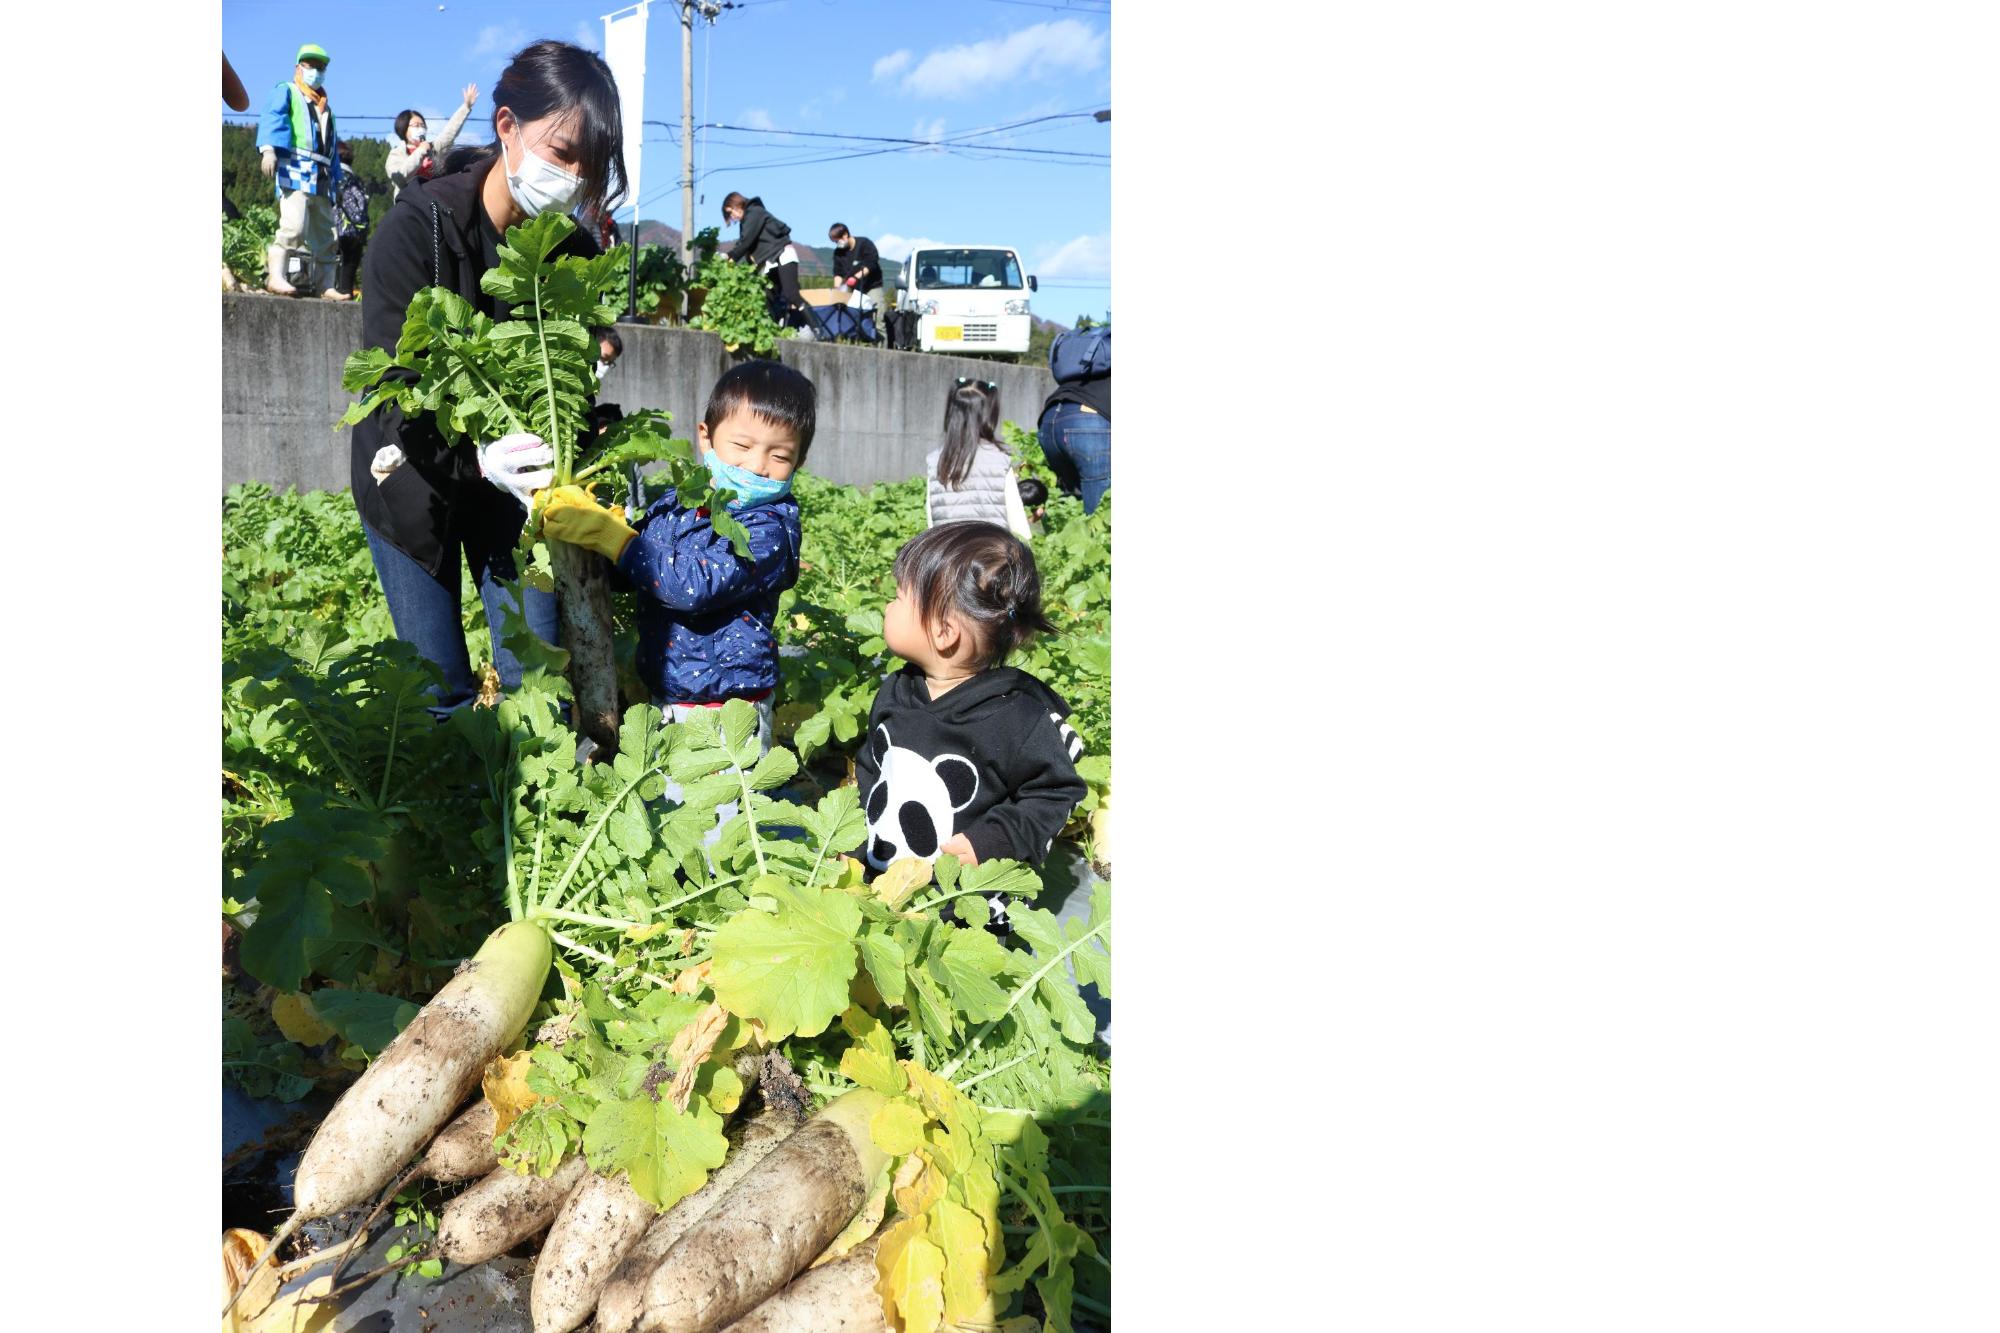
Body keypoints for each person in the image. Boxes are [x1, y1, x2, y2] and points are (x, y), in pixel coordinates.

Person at [349, 39, 626, 717]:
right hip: (413, 477)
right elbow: (392, 392)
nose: (570, 181)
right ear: (507, 127)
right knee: (437, 690)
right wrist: (474, 458)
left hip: (519, 488)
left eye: (586, 171)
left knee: (537, 678)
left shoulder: (570, 248)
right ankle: (452, 812)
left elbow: (598, 334)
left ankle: (532, 814)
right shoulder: (417, 232)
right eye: (561, 155)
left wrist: (590, 355)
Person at [540, 360, 813, 756]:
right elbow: (633, 571)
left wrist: (616, 540)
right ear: (706, 438)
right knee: (672, 809)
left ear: (799, 462)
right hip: (666, 696)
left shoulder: (769, 530)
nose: (757, 466)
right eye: (742, 446)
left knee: (722, 813)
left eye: (780, 456)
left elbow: (692, 586)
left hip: (729, 710)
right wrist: (596, 531)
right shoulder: (678, 502)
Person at [854, 523, 1086, 874]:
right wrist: (856, 837)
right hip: (882, 873)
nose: (888, 606)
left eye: (899, 597)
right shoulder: (896, 690)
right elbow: (872, 766)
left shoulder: (1016, 717)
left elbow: (1056, 792)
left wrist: (996, 839)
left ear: (944, 632)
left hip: (960, 896)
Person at [256, 43, 344, 299]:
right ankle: (276, 276)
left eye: (321, 67)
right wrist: (268, 149)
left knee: (327, 234)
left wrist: (338, 179)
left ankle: (325, 285)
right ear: (298, 67)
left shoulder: (327, 108)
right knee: (293, 227)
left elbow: (333, 148)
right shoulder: (287, 91)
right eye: (311, 65)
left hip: (323, 176)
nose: (316, 71)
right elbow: (274, 116)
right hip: (295, 170)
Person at [926, 379, 1032, 541]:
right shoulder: (999, 459)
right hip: (991, 557)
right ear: (989, 414)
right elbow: (1017, 522)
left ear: (952, 413)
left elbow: (932, 519)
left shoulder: (936, 460)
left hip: (948, 556)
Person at [1036, 323, 1112, 514]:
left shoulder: (1087, 367)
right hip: (1088, 425)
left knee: (1073, 503)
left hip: (1050, 419)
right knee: (1101, 513)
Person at [720, 192, 804, 330]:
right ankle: (775, 329)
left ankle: (818, 329)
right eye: (730, 214)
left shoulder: (754, 212)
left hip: (782, 255)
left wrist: (731, 257)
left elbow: (746, 242)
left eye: (732, 211)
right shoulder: (746, 221)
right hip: (769, 263)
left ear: (738, 204)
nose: (733, 216)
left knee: (792, 294)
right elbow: (745, 245)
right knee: (766, 298)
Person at [386, 86, 479, 201]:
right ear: (403, 128)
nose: (420, 128)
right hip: (410, 205)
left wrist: (466, 107)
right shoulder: (396, 153)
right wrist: (420, 151)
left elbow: (449, 133)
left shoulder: (432, 148)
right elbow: (399, 178)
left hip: (434, 203)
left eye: (423, 125)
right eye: (416, 125)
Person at [331, 141, 370, 298]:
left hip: (336, 228)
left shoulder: (334, 176)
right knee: (349, 268)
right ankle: (347, 295)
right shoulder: (355, 179)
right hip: (356, 231)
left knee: (331, 267)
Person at [827, 223, 882, 312]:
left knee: (877, 314)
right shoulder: (838, 253)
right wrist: (837, 289)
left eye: (838, 241)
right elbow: (838, 273)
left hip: (871, 287)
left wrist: (856, 277)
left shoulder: (865, 244)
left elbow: (871, 263)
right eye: (835, 242)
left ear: (845, 235)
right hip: (853, 290)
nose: (837, 244)